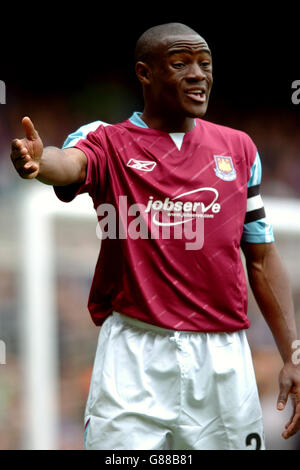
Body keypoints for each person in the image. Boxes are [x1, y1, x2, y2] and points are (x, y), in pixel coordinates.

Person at [11, 22, 300, 450]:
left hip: (223, 358)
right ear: (145, 73)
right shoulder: (108, 141)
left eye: (205, 64)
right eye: (181, 63)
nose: (198, 74)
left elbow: (260, 257)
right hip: (134, 354)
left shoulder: (240, 150)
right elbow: (67, 163)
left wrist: (293, 353)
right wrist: (39, 162)